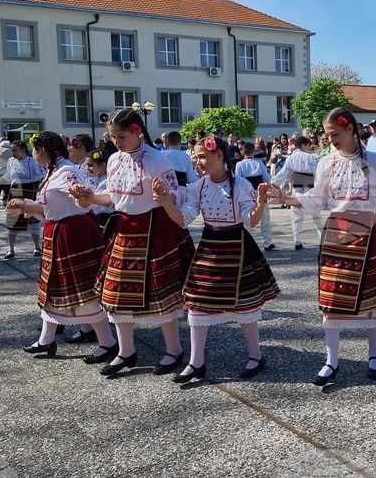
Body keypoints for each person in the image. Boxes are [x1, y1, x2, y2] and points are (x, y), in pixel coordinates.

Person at [266, 107, 376, 386]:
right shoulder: (326, 163)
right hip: (336, 233)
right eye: (327, 134)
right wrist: (285, 197)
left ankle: (374, 355)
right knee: (332, 298)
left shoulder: (372, 160)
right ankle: (331, 360)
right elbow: (315, 199)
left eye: (334, 133)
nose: (330, 139)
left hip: (367, 232)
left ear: (350, 129)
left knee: (369, 298)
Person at [70, 109, 195, 377]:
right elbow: (113, 199)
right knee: (116, 292)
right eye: (113, 136)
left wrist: (166, 196)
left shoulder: (156, 160)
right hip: (125, 228)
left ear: (137, 131)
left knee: (162, 293)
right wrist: (90, 197)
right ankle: (126, 351)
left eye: (121, 136)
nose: (116, 141)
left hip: (155, 227)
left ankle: (174, 349)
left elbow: (175, 197)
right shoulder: (114, 159)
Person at [155, 136, 280, 383]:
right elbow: (183, 219)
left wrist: (261, 202)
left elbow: (251, 221)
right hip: (211, 245)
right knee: (198, 303)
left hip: (238, 246)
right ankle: (195, 361)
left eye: (203, 156)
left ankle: (256, 355)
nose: (199, 162)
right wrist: (165, 203)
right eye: (197, 157)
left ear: (219, 155)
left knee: (245, 305)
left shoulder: (241, 184)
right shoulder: (199, 186)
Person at [8, 132, 118, 361]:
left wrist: (28, 206)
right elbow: (51, 206)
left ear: (41, 150)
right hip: (59, 232)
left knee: (82, 289)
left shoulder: (67, 172)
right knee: (52, 288)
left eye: (35, 149)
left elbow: (81, 200)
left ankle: (108, 342)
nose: (34, 153)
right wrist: (25, 206)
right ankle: (46, 340)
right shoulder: (55, 172)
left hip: (73, 234)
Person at [271, 135, 324, 250]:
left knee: (296, 215)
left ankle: (297, 241)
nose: (308, 148)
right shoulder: (310, 158)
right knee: (316, 213)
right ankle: (323, 240)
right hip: (309, 186)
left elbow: (282, 174)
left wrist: (273, 184)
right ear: (304, 145)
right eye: (308, 146)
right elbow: (317, 174)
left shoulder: (291, 158)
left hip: (297, 186)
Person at [0, 141, 46, 259]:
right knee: (12, 221)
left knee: (33, 220)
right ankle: (11, 249)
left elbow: (42, 175)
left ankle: (36, 247)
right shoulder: (11, 161)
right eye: (11, 150)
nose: (12, 153)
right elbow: (8, 176)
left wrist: (41, 188)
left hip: (30, 191)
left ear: (23, 150)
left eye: (14, 150)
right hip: (15, 192)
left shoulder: (32, 161)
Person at [235, 142, 274, 251]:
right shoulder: (259, 163)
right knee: (265, 216)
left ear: (242, 151)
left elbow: (238, 180)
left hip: (246, 192)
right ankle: (267, 242)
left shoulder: (240, 164)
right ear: (253, 152)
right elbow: (267, 178)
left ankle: (248, 242)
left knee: (247, 216)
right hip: (259, 191)